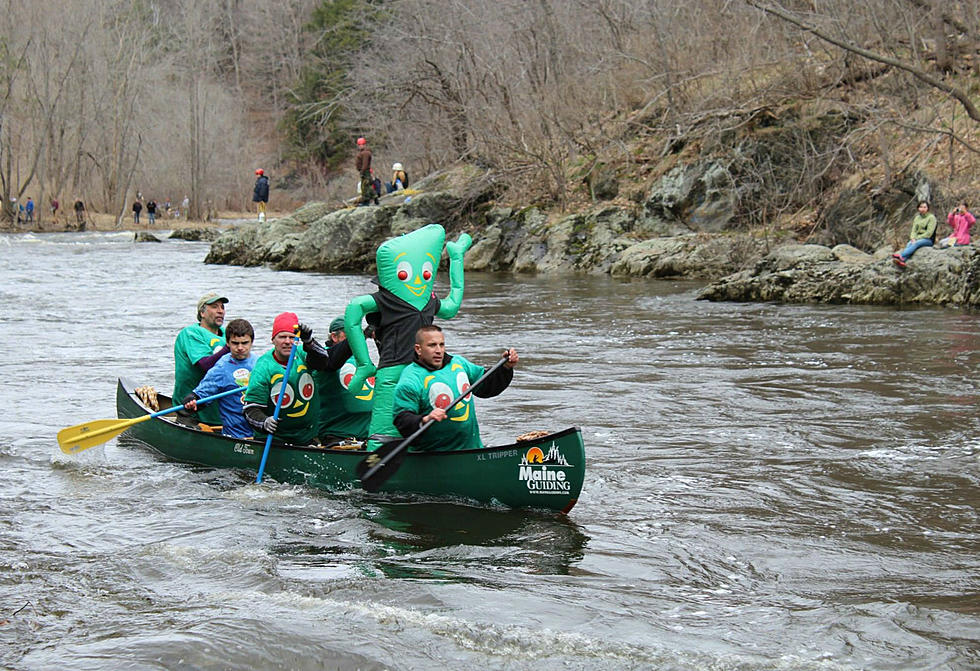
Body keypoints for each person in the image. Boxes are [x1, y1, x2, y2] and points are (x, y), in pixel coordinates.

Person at [392, 325, 518, 451]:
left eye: (441, 345)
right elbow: (401, 419)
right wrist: (425, 419)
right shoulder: (410, 380)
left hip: (471, 450)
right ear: (418, 349)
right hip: (433, 456)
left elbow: (486, 387)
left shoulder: (459, 363)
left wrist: (505, 367)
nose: (438, 350)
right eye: (432, 345)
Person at [242, 312, 329, 446]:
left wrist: (309, 342)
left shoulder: (303, 353)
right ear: (273, 340)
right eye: (282, 337)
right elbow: (251, 409)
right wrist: (264, 422)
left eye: (292, 337)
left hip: (307, 435)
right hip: (275, 438)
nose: (288, 341)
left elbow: (323, 361)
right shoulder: (263, 367)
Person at [182, 319, 257, 438]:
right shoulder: (221, 368)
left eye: (245, 343)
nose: (240, 348)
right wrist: (193, 399)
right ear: (227, 343)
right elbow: (201, 394)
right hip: (236, 435)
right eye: (235, 343)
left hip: (260, 431)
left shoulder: (259, 363)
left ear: (251, 342)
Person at [312, 317, 375, 444]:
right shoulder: (324, 359)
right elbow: (335, 359)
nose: (356, 341)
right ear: (334, 337)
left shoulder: (363, 357)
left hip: (368, 434)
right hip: (338, 434)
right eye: (350, 335)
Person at [173, 292, 230, 426]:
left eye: (222, 307)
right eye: (215, 307)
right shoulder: (191, 333)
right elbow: (205, 365)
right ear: (202, 313)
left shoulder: (228, 335)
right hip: (191, 409)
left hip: (221, 412)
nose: (220, 311)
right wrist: (228, 348)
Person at [892, 201, 937, 268]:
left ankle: (901, 255)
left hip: (928, 239)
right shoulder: (917, 218)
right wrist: (913, 238)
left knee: (916, 243)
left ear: (927, 208)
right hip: (917, 238)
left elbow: (929, 233)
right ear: (918, 208)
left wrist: (917, 238)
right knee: (909, 244)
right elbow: (914, 230)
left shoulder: (931, 218)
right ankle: (903, 260)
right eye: (921, 207)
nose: (923, 209)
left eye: (925, 207)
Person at [355, 137, 376, 206]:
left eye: (362, 144)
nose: (361, 146)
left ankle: (366, 201)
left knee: (365, 186)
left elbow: (365, 164)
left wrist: (362, 171)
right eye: (359, 145)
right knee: (367, 185)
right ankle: (373, 197)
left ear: (365, 145)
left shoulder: (365, 153)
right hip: (364, 171)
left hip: (365, 172)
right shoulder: (363, 153)